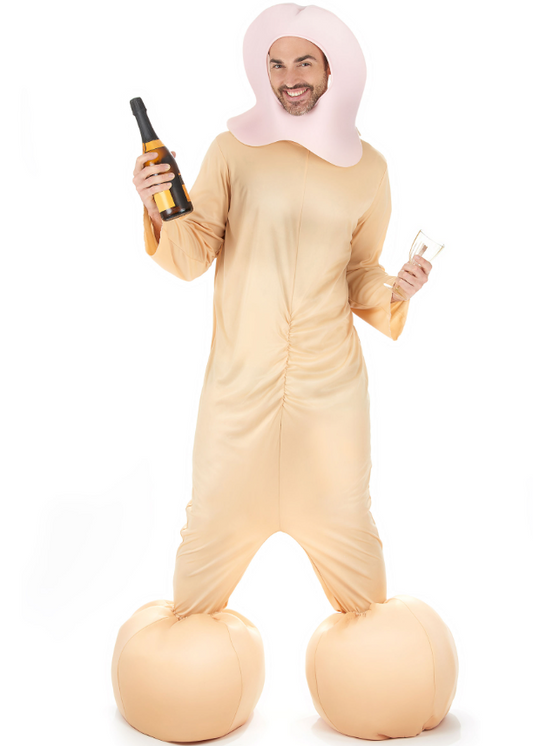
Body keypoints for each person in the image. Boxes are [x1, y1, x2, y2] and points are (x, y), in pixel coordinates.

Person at [115, 5, 456, 743]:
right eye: (276, 63)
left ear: (334, 70)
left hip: (329, 403)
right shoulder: (231, 151)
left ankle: (385, 672)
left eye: (305, 62)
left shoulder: (368, 168)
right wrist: (157, 207)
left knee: (356, 549)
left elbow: (359, 273)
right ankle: (181, 668)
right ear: (259, 70)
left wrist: (397, 287)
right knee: (200, 552)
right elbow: (192, 254)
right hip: (237, 399)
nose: (289, 77)